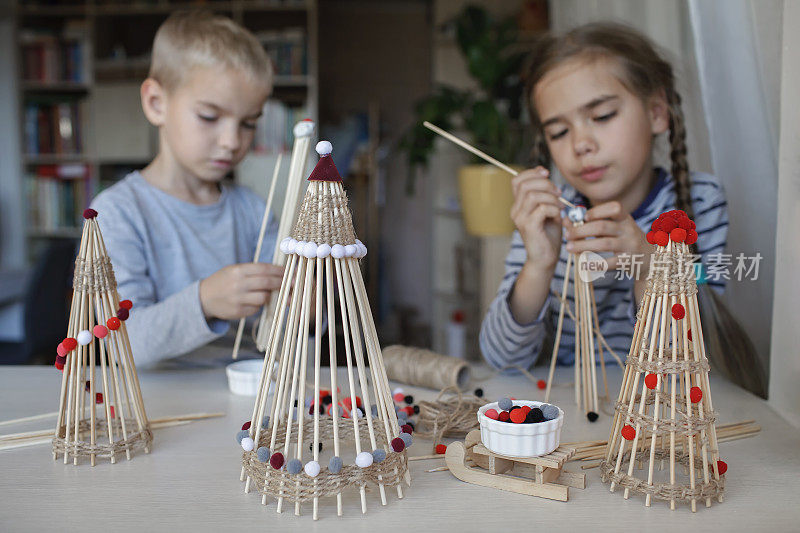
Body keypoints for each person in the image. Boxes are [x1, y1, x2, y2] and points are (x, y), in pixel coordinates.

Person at [480, 23, 734, 377]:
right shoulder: (546, 215)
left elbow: (692, 359)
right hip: (572, 418)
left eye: (602, 116)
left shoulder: (700, 201)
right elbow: (502, 359)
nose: (581, 143)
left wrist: (650, 268)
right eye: (559, 131)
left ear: (657, 112)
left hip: (661, 416)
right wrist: (538, 264)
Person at [91, 11, 281, 367]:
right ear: (156, 103)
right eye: (210, 117)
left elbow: (284, 334)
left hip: (248, 399)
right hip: (156, 405)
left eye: (248, 123)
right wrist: (205, 301)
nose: (231, 141)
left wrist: (308, 309)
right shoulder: (117, 212)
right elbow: (123, 342)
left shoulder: (254, 210)